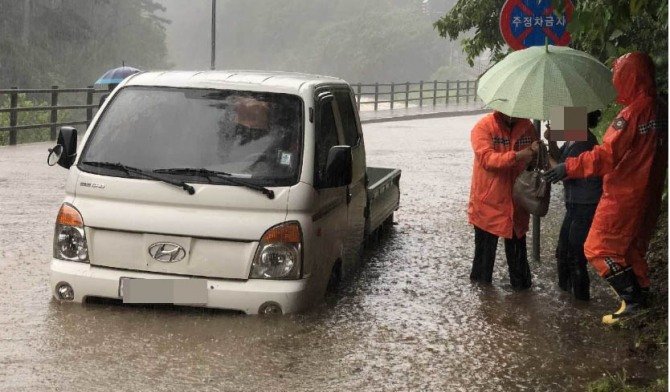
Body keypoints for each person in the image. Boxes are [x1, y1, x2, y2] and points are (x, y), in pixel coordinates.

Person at [544, 52, 668, 324]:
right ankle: (631, 295)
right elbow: (573, 150)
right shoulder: (658, 107)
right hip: (640, 192)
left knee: (587, 252)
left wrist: (558, 162)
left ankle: (597, 303)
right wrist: (553, 146)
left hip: (604, 199)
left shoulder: (625, 118)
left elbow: (592, 157)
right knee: (589, 251)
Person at [468, 111, 539, 290]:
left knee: (519, 266)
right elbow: (487, 159)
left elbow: (536, 163)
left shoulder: (528, 127)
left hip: (517, 204)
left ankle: (522, 297)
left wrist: (545, 146)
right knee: (483, 266)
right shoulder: (484, 127)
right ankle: (483, 302)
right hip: (488, 205)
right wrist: (518, 155)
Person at [545, 111, 603, 301]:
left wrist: (544, 157)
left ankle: (580, 300)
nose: (557, 120)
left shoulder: (584, 142)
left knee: (574, 254)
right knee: (564, 251)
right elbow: (562, 161)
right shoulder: (574, 138)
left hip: (585, 204)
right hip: (575, 204)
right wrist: (552, 143)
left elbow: (562, 172)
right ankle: (567, 299)